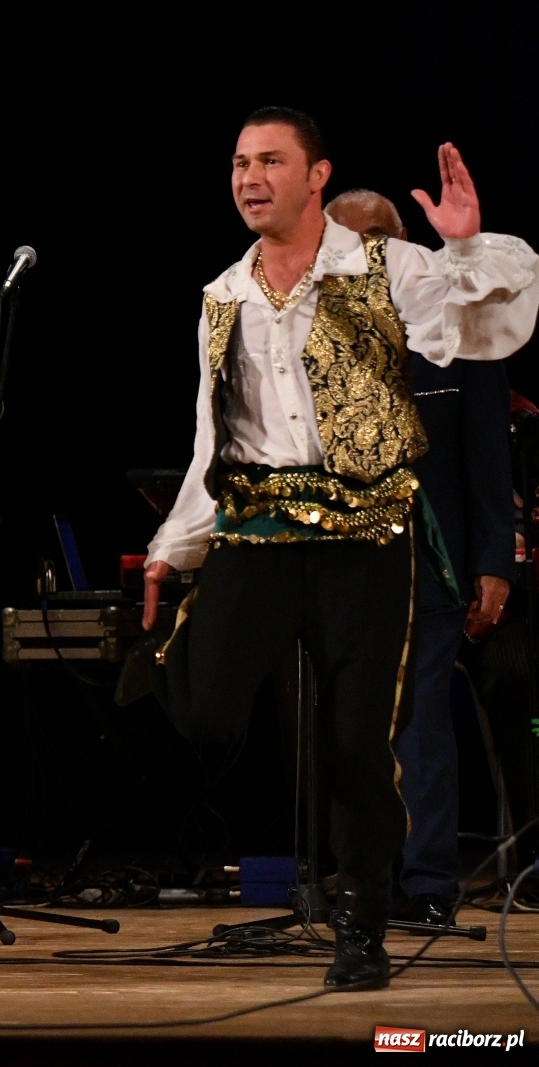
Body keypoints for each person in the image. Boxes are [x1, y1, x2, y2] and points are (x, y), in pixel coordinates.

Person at [141, 108, 536, 991]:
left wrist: (466, 251)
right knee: (205, 709)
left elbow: (484, 329)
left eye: (271, 161)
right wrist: (176, 545)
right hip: (261, 525)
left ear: (316, 175)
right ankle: (181, 656)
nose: (250, 177)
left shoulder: (386, 265)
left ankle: (362, 920)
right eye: (240, 162)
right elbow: (216, 440)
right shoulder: (222, 294)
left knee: (359, 740)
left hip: (367, 532)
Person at [324, 188, 515, 931]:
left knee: (419, 723)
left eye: (375, 237)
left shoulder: (454, 322)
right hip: (337, 554)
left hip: (428, 557)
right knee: (343, 727)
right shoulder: (308, 320)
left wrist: (493, 560)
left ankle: (429, 879)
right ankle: (350, 878)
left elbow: (487, 455)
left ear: (403, 243)